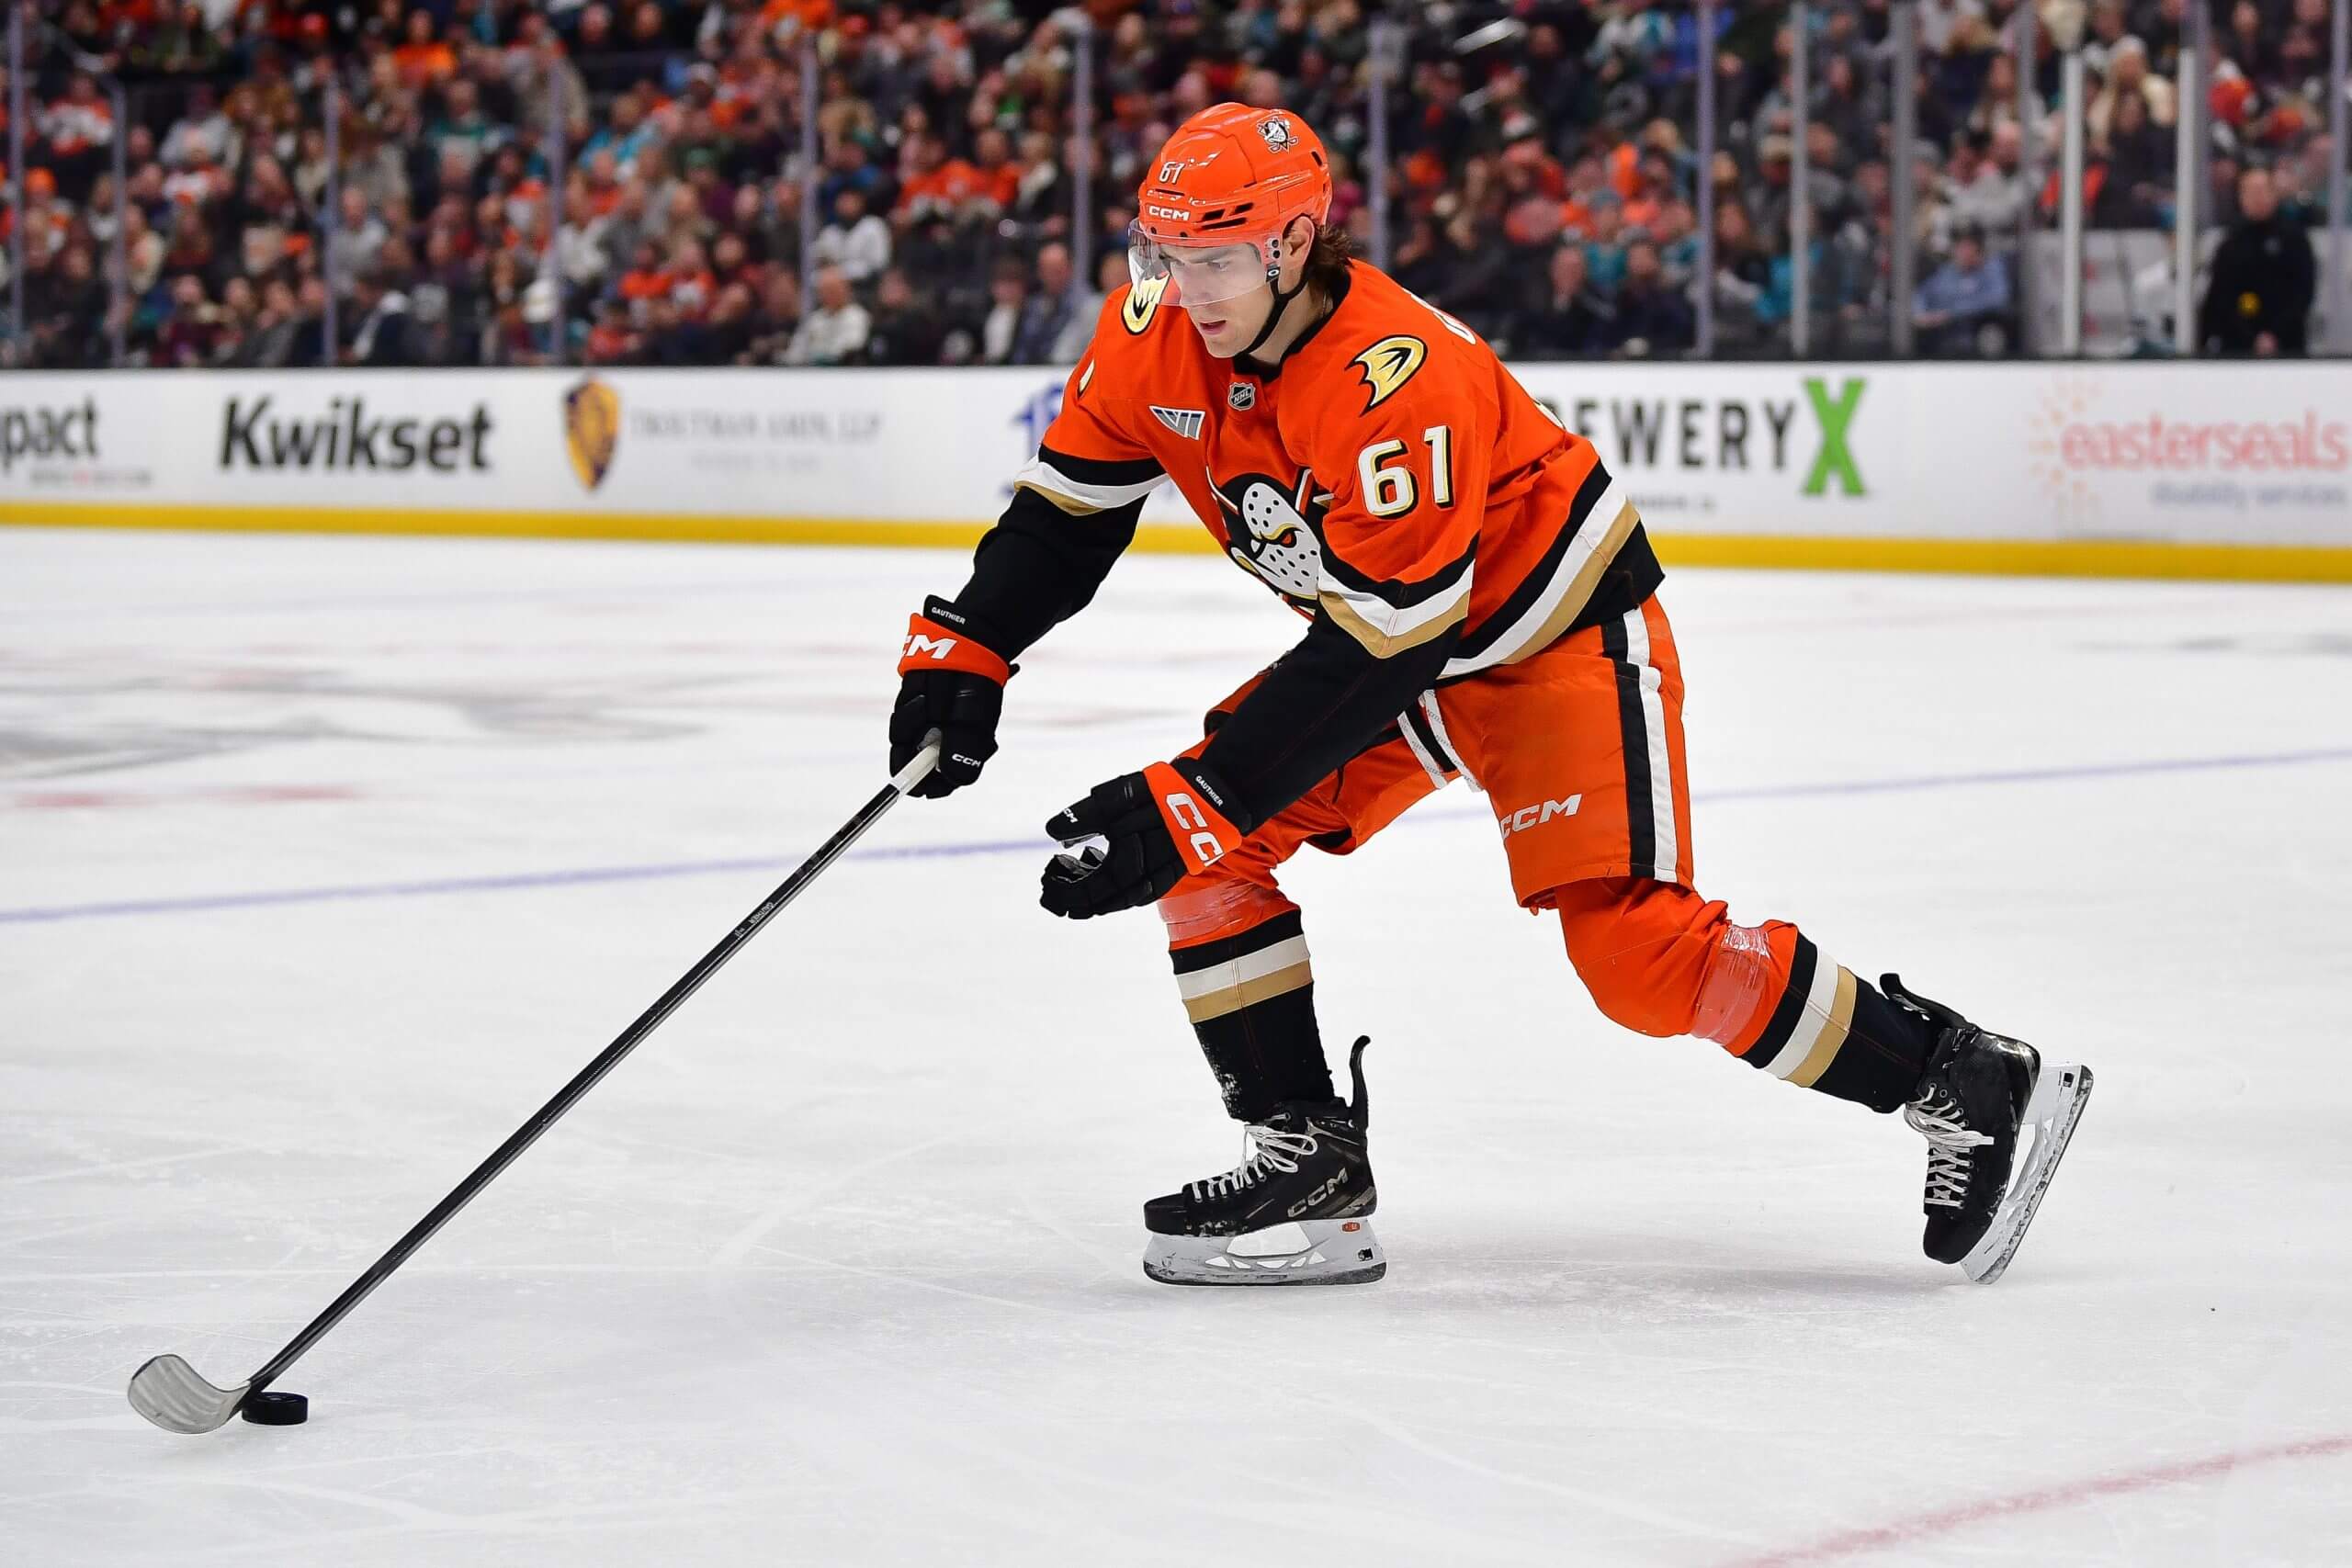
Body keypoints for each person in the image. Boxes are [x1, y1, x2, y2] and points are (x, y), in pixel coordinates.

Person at [884, 104, 2092, 1288]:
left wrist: (1194, 794)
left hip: (1550, 633)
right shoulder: (1152, 330)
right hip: (1403, 649)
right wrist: (969, 644)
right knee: (1211, 850)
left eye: (1218, 259)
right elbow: (1066, 514)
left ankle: (1961, 1077)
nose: (1186, 287)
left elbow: (1380, 647)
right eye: (1167, 254)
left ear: (1296, 246)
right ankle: (1306, 1154)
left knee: (1634, 955)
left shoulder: (1391, 377)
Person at [2197, 166, 2316, 357]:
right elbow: (2220, 297)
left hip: (2287, 345)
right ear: (2241, 197)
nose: (2257, 198)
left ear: (2274, 194)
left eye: (2262, 191)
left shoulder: (2294, 239)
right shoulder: (2231, 242)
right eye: (2250, 192)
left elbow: (2302, 293)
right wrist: (2248, 338)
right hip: (2237, 347)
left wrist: (2274, 335)